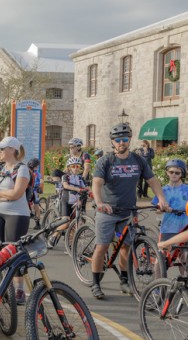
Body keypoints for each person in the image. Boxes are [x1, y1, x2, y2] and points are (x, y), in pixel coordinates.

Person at [90, 124, 169, 299]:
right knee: (102, 246)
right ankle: (95, 283)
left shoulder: (138, 160)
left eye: (125, 139)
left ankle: (124, 280)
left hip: (128, 211)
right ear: (112, 142)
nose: (121, 143)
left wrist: (161, 198)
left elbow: (152, 180)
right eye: (117, 140)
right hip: (107, 211)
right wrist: (99, 202)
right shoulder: (106, 161)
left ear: (129, 140)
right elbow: (97, 183)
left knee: (127, 246)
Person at [0, 136, 30, 305]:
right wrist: (4, 195)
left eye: (3, 149)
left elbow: (17, 194)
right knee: (0, 251)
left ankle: (19, 290)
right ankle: (6, 287)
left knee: (14, 253)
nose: (0, 151)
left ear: (12, 150)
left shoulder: (22, 169)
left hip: (17, 215)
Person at [151, 159, 188, 271]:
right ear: (167, 172)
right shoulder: (162, 191)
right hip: (168, 227)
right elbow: (156, 209)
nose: (174, 175)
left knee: (183, 256)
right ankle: (158, 281)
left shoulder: (186, 189)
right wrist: (162, 209)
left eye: (177, 173)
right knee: (161, 256)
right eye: (171, 172)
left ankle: (183, 279)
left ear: (182, 174)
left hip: (184, 227)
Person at [47, 156, 87, 248]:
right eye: (73, 166)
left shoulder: (80, 178)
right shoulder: (65, 176)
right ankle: (53, 236)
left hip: (76, 202)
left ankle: (71, 245)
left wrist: (91, 192)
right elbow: (65, 186)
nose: (76, 168)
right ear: (69, 167)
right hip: (66, 201)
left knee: (77, 223)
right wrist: (77, 189)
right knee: (66, 222)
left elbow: (86, 187)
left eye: (78, 166)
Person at [27, 158, 42, 230]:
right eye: (36, 166)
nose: (37, 167)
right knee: (31, 206)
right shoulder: (29, 172)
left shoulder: (36, 173)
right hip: (30, 191)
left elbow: (38, 181)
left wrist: (38, 186)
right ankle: (31, 216)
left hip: (34, 191)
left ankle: (37, 223)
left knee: (36, 207)